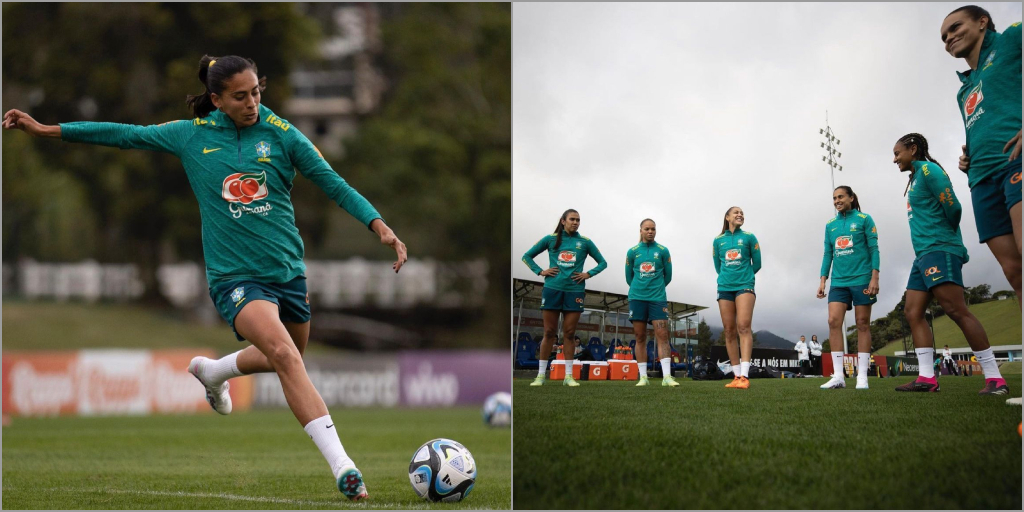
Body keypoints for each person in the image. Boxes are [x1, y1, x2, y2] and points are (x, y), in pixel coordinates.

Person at [2, 55, 409, 500]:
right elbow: (123, 135)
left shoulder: (282, 134)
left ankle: (214, 371)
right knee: (285, 355)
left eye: (256, 92)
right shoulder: (191, 137)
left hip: (289, 273)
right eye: (240, 96)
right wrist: (46, 130)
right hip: (235, 278)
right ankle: (344, 468)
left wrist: (379, 225)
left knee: (287, 354)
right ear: (216, 99)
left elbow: (332, 182)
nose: (252, 103)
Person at [892, 133, 1008, 395]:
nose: (894, 159)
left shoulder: (929, 170)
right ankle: (927, 378)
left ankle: (995, 378)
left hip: (939, 249)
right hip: (922, 255)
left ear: (913, 149)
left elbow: (954, 208)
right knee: (912, 312)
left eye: (898, 153)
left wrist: (945, 239)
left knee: (956, 310)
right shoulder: (915, 178)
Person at [940, 6, 1022, 309]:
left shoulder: (1013, 37)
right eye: (944, 36)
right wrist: (968, 157)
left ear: (982, 22)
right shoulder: (964, 90)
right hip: (982, 182)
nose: (949, 37)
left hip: (1016, 162)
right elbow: (980, 125)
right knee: (1015, 273)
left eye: (955, 27)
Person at [522, 209, 607, 386]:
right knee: (549, 332)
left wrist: (588, 274)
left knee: (569, 333)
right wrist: (540, 271)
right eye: (572, 219)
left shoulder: (585, 242)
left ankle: (569, 376)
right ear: (563, 221)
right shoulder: (550, 239)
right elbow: (526, 256)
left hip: (574, 291)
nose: (575, 222)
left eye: (578, 220)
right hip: (552, 289)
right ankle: (540, 376)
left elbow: (603, 263)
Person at [817, 186, 880, 390]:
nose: (837, 200)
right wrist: (823, 280)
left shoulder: (864, 219)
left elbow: (874, 249)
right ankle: (838, 376)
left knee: (862, 323)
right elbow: (828, 254)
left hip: (862, 279)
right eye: (834, 198)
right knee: (833, 321)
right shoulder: (830, 225)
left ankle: (862, 376)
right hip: (839, 282)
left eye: (841, 196)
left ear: (851, 198)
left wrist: (874, 278)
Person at [625, 218, 679, 387]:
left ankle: (667, 377)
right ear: (640, 230)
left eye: (653, 229)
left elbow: (668, 276)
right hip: (637, 297)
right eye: (647, 229)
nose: (650, 232)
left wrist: (657, 288)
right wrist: (639, 289)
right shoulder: (632, 252)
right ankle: (643, 377)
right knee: (639, 336)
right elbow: (629, 277)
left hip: (657, 298)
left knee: (663, 335)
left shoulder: (663, 250)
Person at [712, 206, 761, 389]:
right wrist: (727, 277)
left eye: (742, 213)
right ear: (727, 217)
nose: (740, 214)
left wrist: (745, 276)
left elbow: (757, 263)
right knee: (729, 330)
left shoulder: (749, 237)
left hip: (744, 285)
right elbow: (718, 266)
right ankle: (736, 376)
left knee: (743, 326)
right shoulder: (717, 241)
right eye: (736, 212)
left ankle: (745, 377)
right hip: (724, 287)